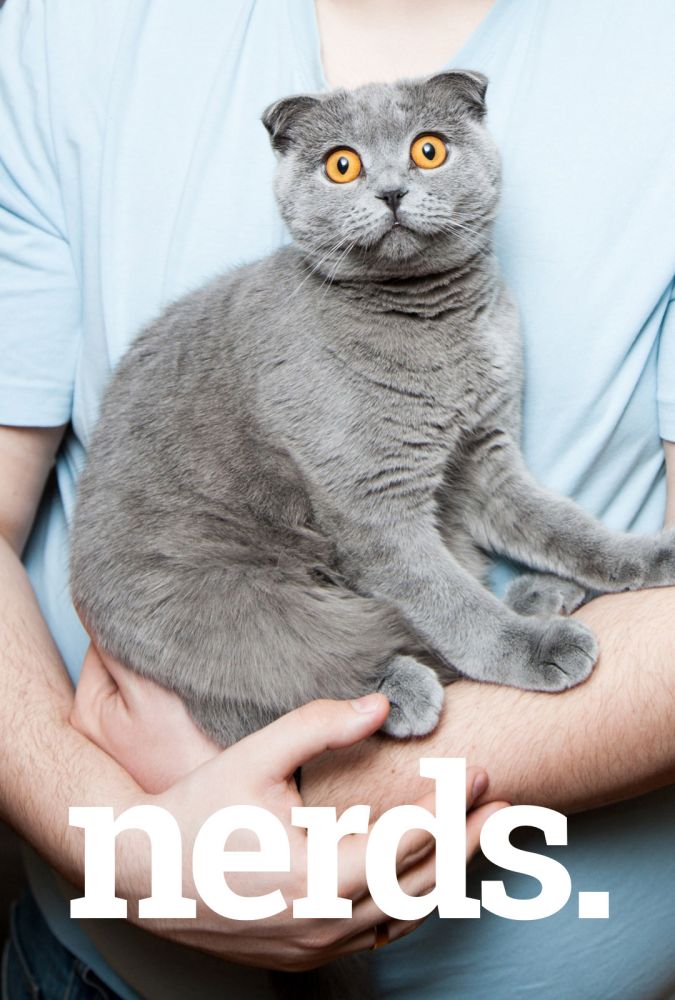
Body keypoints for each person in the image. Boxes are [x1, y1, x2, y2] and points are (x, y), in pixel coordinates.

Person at [0, 0, 673, 998]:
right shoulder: (63, 27)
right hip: (222, 607)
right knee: (355, 566)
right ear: (293, 165)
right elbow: (376, 523)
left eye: (429, 152)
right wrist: (120, 848)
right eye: (346, 167)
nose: (392, 185)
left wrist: (613, 561)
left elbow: (485, 476)